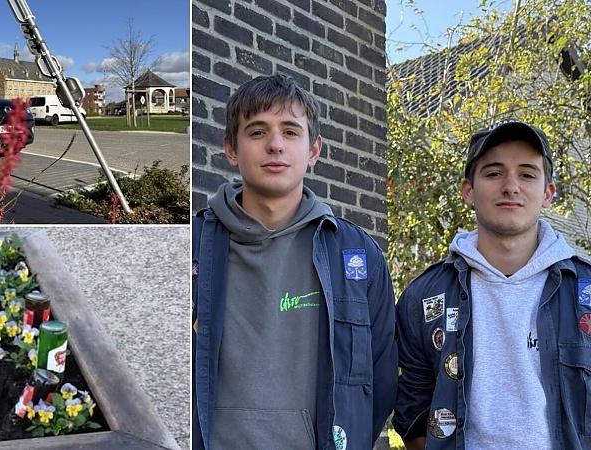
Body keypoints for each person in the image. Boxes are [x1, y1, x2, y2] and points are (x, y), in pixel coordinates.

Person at [191, 72, 397, 449]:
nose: (275, 145)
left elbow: (380, 382)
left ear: (313, 150)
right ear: (231, 150)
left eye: (290, 131)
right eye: (257, 132)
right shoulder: (190, 247)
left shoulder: (357, 255)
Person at [393, 119, 591, 449]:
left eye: (527, 174)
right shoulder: (424, 296)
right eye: (494, 173)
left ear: (548, 193)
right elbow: (411, 413)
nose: (511, 186)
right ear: (468, 191)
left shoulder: (584, 291)